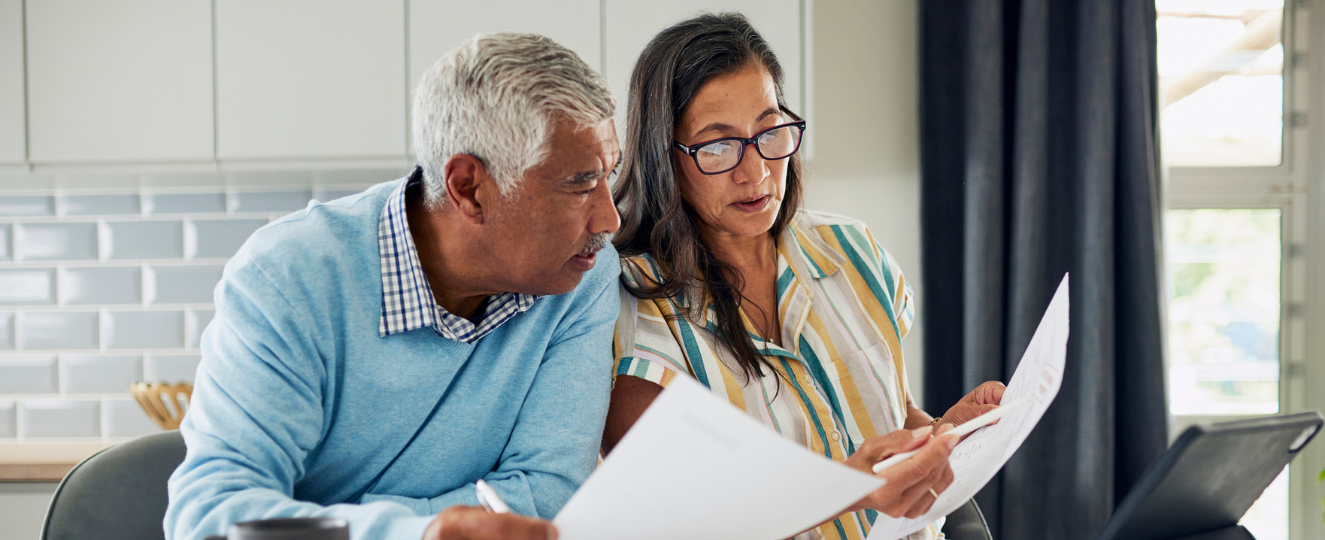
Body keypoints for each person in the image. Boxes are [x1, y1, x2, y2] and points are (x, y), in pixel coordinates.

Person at [166, 33, 621, 540]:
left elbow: (548, 498)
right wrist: (420, 534)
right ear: (469, 187)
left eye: (609, 176)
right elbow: (210, 518)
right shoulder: (289, 277)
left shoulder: (582, 276)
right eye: (580, 184)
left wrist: (323, 517)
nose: (610, 218)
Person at [605, 13, 1006, 540]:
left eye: (769, 131)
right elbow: (678, 516)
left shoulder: (852, 249)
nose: (755, 173)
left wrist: (942, 432)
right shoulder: (631, 308)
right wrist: (849, 486)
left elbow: (892, 413)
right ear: (665, 156)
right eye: (718, 146)